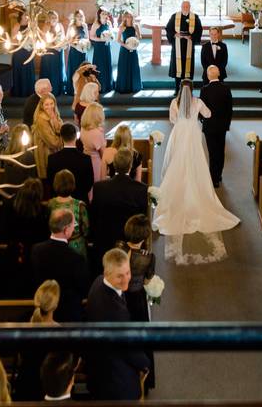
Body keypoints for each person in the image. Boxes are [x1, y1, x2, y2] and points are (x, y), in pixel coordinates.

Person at [153, 80, 240, 265]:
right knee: (195, 163)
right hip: (192, 135)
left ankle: (177, 193)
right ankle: (196, 191)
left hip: (179, 134)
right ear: (192, 90)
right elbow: (208, 115)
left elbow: (172, 120)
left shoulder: (174, 103)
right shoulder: (197, 102)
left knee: (177, 163)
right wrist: (197, 116)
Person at [85, 248, 151, 400]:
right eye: (120, 276)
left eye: (127, 272)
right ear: (107, 273)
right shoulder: (115, 312)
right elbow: (127, 348)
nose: (126, 279)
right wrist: (145, 364)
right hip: (113, 379)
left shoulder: (98, 281)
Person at [117, 214, 156, 390]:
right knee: (142, 336)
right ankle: (145, 379)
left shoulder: (118, 248)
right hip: (137, 298)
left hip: (121, 297)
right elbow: (147, 281)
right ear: (144, 236)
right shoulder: (148, 257)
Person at [30, 208, 90, 322]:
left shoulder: (36, 250)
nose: (74, 228)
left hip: (43, 310)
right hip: (69, 316)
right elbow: (83, 289)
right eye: (73, 224)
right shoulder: (76, 258)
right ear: (66, 229)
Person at [91, 149, 150, 260]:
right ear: (130, 166)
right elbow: (142, 218)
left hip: (104, 242)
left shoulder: (99, 187)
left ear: (114, 165)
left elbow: (94, 215)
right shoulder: (141, 189)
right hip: (130, 244)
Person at [12, 280, 60, 400]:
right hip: (49, 390)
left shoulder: (21, 321)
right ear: (56, 304)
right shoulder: (59, 332)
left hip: (23, 386)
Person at [2, 178, 49, 297]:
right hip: (33, 253)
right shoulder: (41, 210)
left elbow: (4, 229)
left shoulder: (9, 204)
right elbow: (44, 235)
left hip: (13, 250)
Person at [199, 65, 233, 187]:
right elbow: (230, 109)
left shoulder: (204, 90)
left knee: (212, 152)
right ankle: (218, 175)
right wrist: (227, 124)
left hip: (209, 126)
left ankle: (213, 178)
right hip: (222, 126)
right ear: (218, 74)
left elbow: (202, 109)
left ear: (208, 75)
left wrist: (202, 120)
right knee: (220, 150)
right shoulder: (226, 89)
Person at [46, 123, 94, 202]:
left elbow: (50, 182)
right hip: (80, 201)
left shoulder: (52, 159)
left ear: (61, 138)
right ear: (76, 137)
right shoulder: (85, 159)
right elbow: (89, 183)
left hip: (59, 202)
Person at [47, 170, 89, 259]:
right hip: (77, 247)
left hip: (56, 246)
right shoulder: (80, 205)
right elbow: (86, 230)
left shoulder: (50, 204)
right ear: (72, 184)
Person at [165, 0, 203, 93]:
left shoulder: (195, 17)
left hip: (189, 45)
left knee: (188, 67)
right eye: (184, 6)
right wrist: (174, 34)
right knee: (177, 67)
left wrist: (192, 36)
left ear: (190, 7)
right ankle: (177, 88)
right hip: (177, 45)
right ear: (181, 7)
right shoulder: (175, 16)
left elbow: (199, 30)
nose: (185, 8)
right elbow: (168, 28)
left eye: (187, 6)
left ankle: (188, 89)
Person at [32, 93, 63, 179]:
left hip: (54, 153)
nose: (49, 107)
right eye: (46, 104)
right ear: (42, 106)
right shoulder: (41, 120)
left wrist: (55, 121)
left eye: (51, 104)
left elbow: (60, 129)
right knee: (48, 181)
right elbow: (53, 142)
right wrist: (64, 139)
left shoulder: (55, 114)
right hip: (46, 154)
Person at [80, 103, 107, 191]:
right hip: (96, 163)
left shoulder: (83, 128)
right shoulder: (97, 133)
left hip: (85, 159)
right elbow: (103, 154)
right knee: (97, 187)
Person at [38, 11, 66, 95]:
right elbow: (43, 41)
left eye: (55, 17)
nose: (53, 19)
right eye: (51, 17)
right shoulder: (46, 26)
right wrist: (53, 44)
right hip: (49, 53)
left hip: (58, 52)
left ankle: (58, 89)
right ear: (48, 19)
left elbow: (63, 37)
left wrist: (61, 44)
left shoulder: (60, 25)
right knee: (50, 71)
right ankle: (48, 90)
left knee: (58, 70)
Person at [1, 123, 36, 187]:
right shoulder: (28, 155)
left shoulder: (7, 152)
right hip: (24, 191)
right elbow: (32, 178)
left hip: (9, 189)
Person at [115, 11, 142, 94]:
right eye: (127, 16)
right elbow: (118, 40)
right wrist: (126, 45)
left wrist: (136, 41)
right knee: (124, 67)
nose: (129, 18)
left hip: (133, 49)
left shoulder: (135, 26)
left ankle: (134, 86)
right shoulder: (122, 27)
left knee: (133, 66)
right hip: (124, 49)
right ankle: (123, 87)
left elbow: (139, 36)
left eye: (130, 16)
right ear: (124, 17)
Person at [11, 9, 36, 97]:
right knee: (21, 71)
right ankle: (20, 91)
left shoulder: (30, 26)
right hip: (19, 52)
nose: (27, 17)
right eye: (25, 15)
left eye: (28, 15)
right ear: (21, 16)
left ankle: (29, 90)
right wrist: (21, 42)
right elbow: (12, 41)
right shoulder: (17, 26)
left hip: (29, 51)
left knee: (29, 70)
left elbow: (35, 38)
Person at [66, 9, 90, 96]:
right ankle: (73, 89)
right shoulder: (71, 26)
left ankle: (83, 89)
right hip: (74, 51)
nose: (79, 17)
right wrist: (76, 45)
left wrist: (84, 44)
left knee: (83, 69)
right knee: (75, 69)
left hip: (83, 51)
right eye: (78, 16)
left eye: (81, 16)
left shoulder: (84, 26)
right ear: (75, 17)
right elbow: (68, 40)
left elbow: (87, 38)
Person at [90, 8, 115, 93]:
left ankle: (107, 85)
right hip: (99, 47)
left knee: (107, 63)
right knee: (100, 65)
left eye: (106, 13)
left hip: (106, 47)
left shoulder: (108, 23)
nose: (104, 15)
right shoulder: (96, 24)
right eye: (103, 13)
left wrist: (110, 37)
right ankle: (100, 86)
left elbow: (111, 34)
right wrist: (101, 39)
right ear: (99, 14)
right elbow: (91, 37)